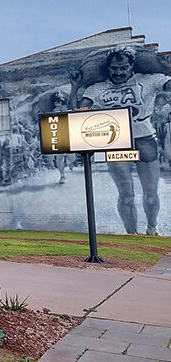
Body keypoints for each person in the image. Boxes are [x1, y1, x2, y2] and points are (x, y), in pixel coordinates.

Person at [71, 45, 171, 235]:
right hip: (116, 141)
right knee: (126, 195)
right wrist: (75, 87)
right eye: (114, 68)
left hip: (144, 138)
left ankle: (152, 229)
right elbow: (78, 115)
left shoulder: (148, 80)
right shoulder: (98, 88)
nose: (118, 72)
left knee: (150, 194)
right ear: (108, 68)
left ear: (132, 66)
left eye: (123, 68)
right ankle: (131, 234)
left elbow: (167, 85)